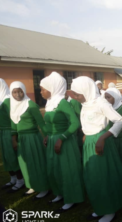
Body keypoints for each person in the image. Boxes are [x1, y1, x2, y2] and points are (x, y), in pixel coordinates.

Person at [70, 76, 122, 222]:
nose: (75, 97)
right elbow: (88, 121)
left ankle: (110, 211)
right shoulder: (86, 103)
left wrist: (102, 138)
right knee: (92, 177)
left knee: (102, 177)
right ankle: (100, 206)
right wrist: (85, 134)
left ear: (86, 91)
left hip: (100, 142)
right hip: (89, 141)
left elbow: (120, 121)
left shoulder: (101, 103)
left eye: (77, 94)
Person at [40, 72, 85, 212]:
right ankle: (60, 193)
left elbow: (75, 123)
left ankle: (72, 197)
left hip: (64, 141)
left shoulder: (62, 103)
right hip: (53, 140)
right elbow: (48, 124)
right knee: (54, 169)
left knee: (67, 170)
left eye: (43, 89)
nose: (41, 92)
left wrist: (61, 138)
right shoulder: (50, 103)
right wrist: (48, 135)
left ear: (52, 89)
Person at [9, 81, 49, 198]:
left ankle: (43, 187)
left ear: (24, 91)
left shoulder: (31, 105)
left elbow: (41, 123)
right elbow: (13, 126)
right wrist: (14, 140)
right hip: (21, 139)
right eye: (14, 92)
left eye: (20, 91)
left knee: (36, 163)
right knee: (25, 164)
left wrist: (47, 136)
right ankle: (32, 185)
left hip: (32, 138)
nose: (17, 95)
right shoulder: (13, 106)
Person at [0, 79, 24, 191]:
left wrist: (14, 135)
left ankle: (20, 180)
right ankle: (13, 179)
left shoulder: (6, 101)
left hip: (9, 132)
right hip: (2, 131)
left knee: (12, 156)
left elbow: (14, 118)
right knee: (6, 157)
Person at [104, 87, 122, 167]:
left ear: (116, 97)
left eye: (109, 97)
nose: (106, 100)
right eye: (105, 98)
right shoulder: (105, 108)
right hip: (109, 139)